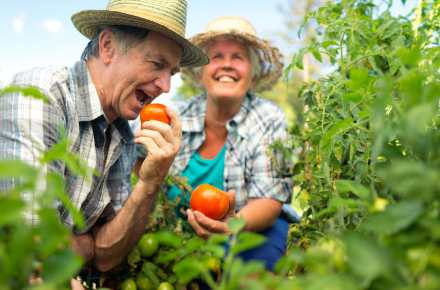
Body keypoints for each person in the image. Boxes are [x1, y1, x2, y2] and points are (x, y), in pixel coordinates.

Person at [0, 0, 209, 282]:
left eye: (170, 72)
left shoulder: (123, 132)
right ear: (107, 46)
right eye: (157, 64)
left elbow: (108, 254)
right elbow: (28, 246)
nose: (166, 86)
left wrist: (151, 181)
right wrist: (86, 243)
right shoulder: (40, 96)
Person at [133, 16, 296, 272]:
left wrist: (230, 226)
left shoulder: (269, 118)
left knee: (250, 273)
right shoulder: (174, 116)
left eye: (239, 58)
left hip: (248, 232)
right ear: (200, 75)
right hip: (177, 238)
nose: (227, 65)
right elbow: (136, 156)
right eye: (217, 56)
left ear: (252, 78)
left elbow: (269, 200)